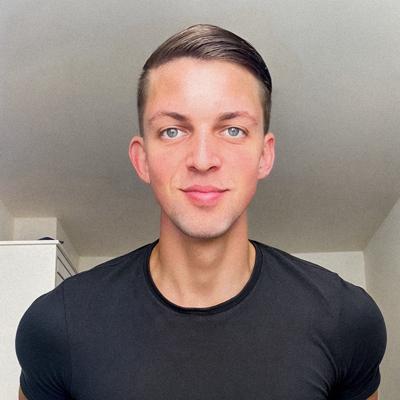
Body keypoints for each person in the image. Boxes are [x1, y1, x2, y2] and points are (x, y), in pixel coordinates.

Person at [16, 24, 386, 400]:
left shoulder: (345, 319)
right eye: (173, 131)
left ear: (265, 154)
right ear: (142, 159)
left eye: (233, 130)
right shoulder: (57, 325)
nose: (203, 159)